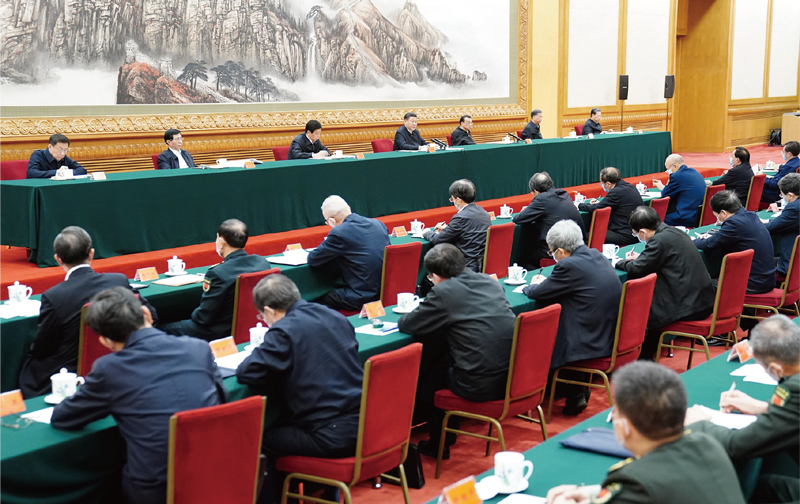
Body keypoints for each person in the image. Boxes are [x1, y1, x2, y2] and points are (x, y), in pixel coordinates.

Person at [51, 287, 226, 504]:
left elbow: (63, 417)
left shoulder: (109, 368)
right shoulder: (198, 348)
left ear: (105, 341)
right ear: (146, 313)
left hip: (156, 488)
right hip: (215, 472)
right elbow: (223, 402)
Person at [236, 274, 362, 504]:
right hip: (364, 425)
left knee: (258, 438)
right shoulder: (332, 314)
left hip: (329, 435)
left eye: (261, 316)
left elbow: (247, 372)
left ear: (269, 311)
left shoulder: (284, 330)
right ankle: (324, 492)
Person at [546, 362, 746, 504]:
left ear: (625, 427)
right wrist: (592, 493)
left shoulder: (635, 482)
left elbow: (649, 487)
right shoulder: (707, 443)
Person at [398, 244, 515, 458]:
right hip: (511, 378)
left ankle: (437, 441)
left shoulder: (444, 291)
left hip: (477, 384)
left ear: (436, 276)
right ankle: (440, 435)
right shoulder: (489, 282)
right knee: (443, 357)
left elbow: (408, 325)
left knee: (433, 371)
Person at [18, 226, 157, 398]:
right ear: (91, 253)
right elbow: (151, 316)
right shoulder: (118, 280)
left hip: (71, 370)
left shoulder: (54, 296)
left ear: (58, 259)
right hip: (123, 358)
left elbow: (43, 348)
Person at [685, 315, 799, 504]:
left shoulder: (795, 390)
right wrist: (763, 407)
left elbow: (737, 445)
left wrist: (702, 424)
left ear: (776, 368)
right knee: (763, 486)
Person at [522, 220, 621, 415]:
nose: (552, 256)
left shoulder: (568, 265)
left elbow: (538, 293)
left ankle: (571, 391)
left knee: (543, 329)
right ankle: (574, 389)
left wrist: (529, 286)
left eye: (552, 252)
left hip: (588, 340)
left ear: (560, 251)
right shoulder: (596, 254)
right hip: (609, 333)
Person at [614, 206, 715, 360]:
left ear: (643, 231)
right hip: (703, 299)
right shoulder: (674, 232)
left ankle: (642, 360)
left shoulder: (658, 240)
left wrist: (619, 262)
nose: (637, 236)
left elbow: (637, 268)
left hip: (689, 306)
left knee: (639, 310)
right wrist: (642, 257)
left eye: (635, 233)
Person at [160, 219, 272, 341]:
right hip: (252, 325)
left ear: (221, 242)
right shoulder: (262, 263)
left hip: (219, 332)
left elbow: (203, 318)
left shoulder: (218, 273)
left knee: (159, 328)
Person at [307, 195, 389, 311]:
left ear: (331, 221)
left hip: (361, 296)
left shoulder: (339, 232)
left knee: (315, 297)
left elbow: (313, 259)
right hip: (385, 291)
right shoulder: (378, 224)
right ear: (349, 208)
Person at [693, 190, 775, 295]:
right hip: (766, 279)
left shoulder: (734, 223)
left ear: (723, 212)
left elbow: (709, 244)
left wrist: (692, 240)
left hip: (752, 283)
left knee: (700, 285)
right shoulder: (751, 215)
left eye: (716, 215)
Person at [513, 172, 585, 270]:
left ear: (536, 191)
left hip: (556, 250)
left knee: (522, 261)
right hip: (577, 245)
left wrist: (528, 210)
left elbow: (518, 219)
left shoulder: (541, 199)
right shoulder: (564, 194)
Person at [424, 179, 491, 273]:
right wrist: (447, 229)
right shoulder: (484, 213)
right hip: (482, 263)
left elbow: (438, 240)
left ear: (458, 200)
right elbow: (468, 231)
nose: (453, 202)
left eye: (452, 199)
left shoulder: (460, 217)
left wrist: (426, 232)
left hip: (465, 266)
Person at [579, 167, 643, 246]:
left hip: (625, 235)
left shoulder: (615, 192)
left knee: (587, 236)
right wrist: (601, 203)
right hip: (637, 232)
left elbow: (596, 208)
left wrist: (579, 205)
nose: (601, 185)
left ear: (608, 184)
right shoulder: (630, 186)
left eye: (601, 182)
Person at [654, 154, 707, 227]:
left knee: (655, 220)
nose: (668, 172)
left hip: (687, 217)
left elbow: (664, 195)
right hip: (700, 215)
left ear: (674, 166)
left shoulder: (676, 176)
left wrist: (670, 178)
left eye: (668, 169)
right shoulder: (694, 171)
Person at [764, 173, 800, 278]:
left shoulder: (794, 208)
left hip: (791, 266)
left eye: (782, 195)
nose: (782, 197)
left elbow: (770, 228)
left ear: (790, 195)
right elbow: (787, 221)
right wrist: (768, 220)